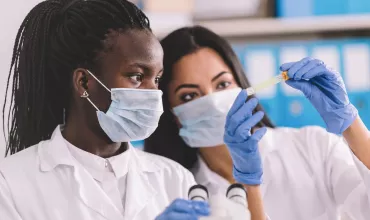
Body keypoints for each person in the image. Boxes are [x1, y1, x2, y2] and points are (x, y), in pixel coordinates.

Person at [0, 1, 212, 219]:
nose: (153, 92)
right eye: (137, 77)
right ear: (84, 82)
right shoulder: (10, 184)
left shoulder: (175, 179)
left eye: (156, 79)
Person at [145, 26, 370, 220]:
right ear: (171, 112)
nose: (212, 102)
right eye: (189, 96)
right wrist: (249, 184)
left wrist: (350, 124)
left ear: (243, 86)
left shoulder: (312, 146)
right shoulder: (179, 190)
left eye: (222, 84)